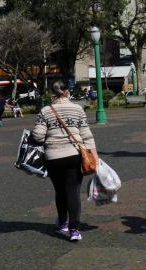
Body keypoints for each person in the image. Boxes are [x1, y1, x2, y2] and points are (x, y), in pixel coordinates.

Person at [32, 80, 98, 241]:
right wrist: (94, 156)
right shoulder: (77, 109)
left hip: (53, 157)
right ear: (67, 91)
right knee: (73, 191)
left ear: (52, 93)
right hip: (75, 154)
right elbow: (86, 134)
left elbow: (38, 136)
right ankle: (74, 230)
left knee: (60, 191)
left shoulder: (46, 110)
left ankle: (62, 223)